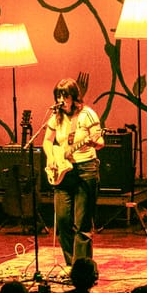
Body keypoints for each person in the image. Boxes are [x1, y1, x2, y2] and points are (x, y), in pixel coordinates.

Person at [40, 75, 103, 272]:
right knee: (63, 220)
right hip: (63, 171)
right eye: (58, 96)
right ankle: (71, 264)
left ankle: (82, 270)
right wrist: (51, 157)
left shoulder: (88, 115)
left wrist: (93, 142)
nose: (61, 100)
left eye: (65, 96)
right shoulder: (55, 117)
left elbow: (100, 141)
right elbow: (47, 141)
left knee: (82, 223)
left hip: (85, 169)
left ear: (74, 97)